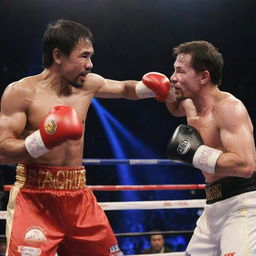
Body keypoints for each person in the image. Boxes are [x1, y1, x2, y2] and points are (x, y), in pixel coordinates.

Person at [0, 19, 173, 256]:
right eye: (83, 56)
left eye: (90, 56)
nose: (90, 65)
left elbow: (124, 88)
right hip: (34, 198)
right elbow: (1, 150)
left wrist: (150, 88)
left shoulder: (87, 85)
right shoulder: (21, 92)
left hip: (78, 197)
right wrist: (41, 140)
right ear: (58, 56)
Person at [162, 40, 256, 255]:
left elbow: (245, 165)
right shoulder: (189, 104)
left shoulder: (229, 107)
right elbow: (174, 106)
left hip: (242, 205)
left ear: (204, 77)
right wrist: (162, 90)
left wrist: (196, 153)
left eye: (180, 72)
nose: (173, 77)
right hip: (212, 206)